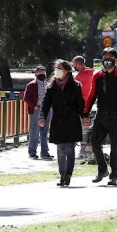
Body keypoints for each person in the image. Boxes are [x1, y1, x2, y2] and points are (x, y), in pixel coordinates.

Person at [81, 48, 117, 186]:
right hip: (101, 114)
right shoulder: (98, 75)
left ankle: (114, 175)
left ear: (116, 59)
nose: (107, 59)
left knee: (115, 146)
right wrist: (85, 113)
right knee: (94, 142)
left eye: (110, 57)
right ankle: (102, 170)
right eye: (105, 56)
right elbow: (92, 95)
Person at [39, 59, 85, 187]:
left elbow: (80, 104)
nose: (57, 71)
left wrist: (84, 117)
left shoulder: (76, 86)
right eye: (56, 68)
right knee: (60, 150)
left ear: (67, 71)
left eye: (60, 68)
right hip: (58, 121)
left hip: (72, 121)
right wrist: (42, 117)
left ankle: (68, 175)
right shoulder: (52, 86)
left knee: (70, 149)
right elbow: (45, 104)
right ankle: (62, 175)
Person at [23, 65, 53, 160]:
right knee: (35, 131)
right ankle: (32, 152)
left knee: (44, 132)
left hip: (47, 110)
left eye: (44, 72)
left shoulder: (47, 84)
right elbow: (26, 98)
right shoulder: (31, 85)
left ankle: (44, 152)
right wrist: (34, 105)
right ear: (36, 73)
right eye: (40, 72)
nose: (42, 74)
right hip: (36, 110)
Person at [72, 55, 95, 159]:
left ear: (78, 64)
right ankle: (87, 149)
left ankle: (82, 150)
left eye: (74, 65)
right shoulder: (91, 73)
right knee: (86, 127)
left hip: (81, 105)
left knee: (81, 128)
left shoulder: (80, 76)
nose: (74, 67)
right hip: (89, 103)